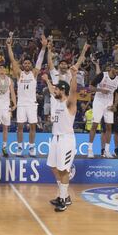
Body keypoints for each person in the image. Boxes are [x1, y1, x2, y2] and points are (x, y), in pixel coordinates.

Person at [42, 66, 78, 212]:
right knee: (53, 166)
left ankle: (63, 199)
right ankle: (64, 195)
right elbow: (51, 89)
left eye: (57, 89)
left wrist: (74, 76)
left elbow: (74, 91)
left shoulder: (69, 104)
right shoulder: (57, 101)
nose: (54, 90)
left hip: (66, 139)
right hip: (55, 139)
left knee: (64, 170)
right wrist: (47, 81)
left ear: (63, 90)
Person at [7, 34, 47, 156]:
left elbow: (39, 61)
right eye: (25, 64)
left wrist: (44, 47)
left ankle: (31, 147)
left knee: (33, 126)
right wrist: (9, 46)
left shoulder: (34, 73)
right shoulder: (19, 74)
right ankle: (19, 148)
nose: (27, 65)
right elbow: (13, 60)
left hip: (32, 104)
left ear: (31, 65)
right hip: (21, 104)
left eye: (29, 63)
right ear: (23, 65)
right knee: (20, 126)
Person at [87, 63, 118, 158]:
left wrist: (115, 105)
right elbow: (90, 87)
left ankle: (107, 150)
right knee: (95, 124)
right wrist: (100, 90)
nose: (117, 70)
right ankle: (90, 149)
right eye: (116, 68)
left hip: (109, 104)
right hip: (98, 102)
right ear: (111, 67)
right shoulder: (102, 75)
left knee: (109, 127)